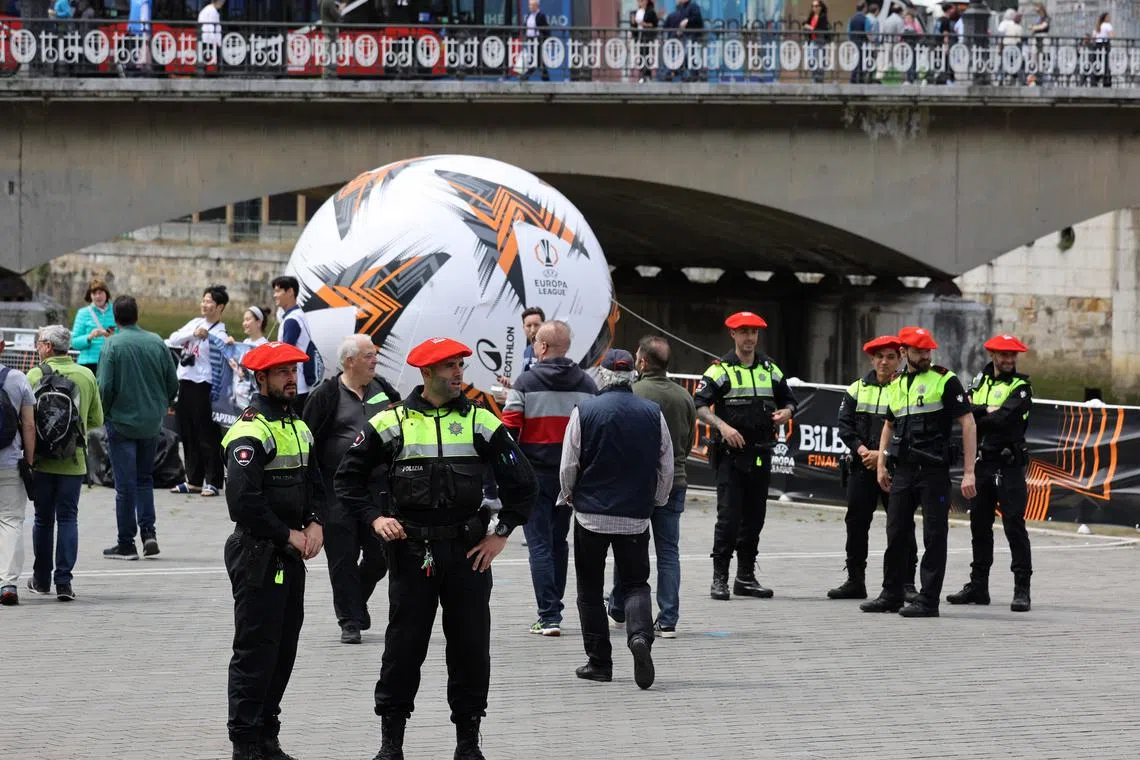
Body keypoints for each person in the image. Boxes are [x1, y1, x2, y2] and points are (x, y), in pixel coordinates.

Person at [335, 336, 536, 760]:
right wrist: (375, 518)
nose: (460, 372)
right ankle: (391, 745)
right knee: (403, 650)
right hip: (411, 553)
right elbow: (347, 480)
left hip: (468, 556)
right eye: (450, 367)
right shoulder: (393, 421)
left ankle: (468, 744)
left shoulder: (482, 420)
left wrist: (500, 535)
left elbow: (524, 484)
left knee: (470, 650)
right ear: (427, 373)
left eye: (461, 365)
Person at [221, 341, 326, 760]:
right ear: (260, 378)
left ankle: (267, 735)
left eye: (294, 370)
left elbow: (317, 482)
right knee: (255, 651)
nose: (290, 378)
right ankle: (245, 743)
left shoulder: (297, 425)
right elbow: (242, 501)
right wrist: (289, 535)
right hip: (257, 552)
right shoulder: (251, 428)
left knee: (283, 649)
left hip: (287, 555)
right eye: (281, 371)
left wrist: (317, 521)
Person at [561, 349, 672, 689]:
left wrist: (569, 496)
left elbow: (569, 463)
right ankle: (639, 637)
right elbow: (665, 465)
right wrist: (657, 499)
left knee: (589, 591)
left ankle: (599, 663)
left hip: (591, 515)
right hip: (635, 516)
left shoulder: (584, 411)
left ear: (604, 375)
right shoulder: (653, 413)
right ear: (631, 376)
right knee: (636, 583)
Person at [862, 326, 977, 618]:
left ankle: (928, 600)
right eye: (919, 351)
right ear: (905, 353)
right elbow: (889, 425)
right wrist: (882, 464)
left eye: (928, 350)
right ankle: (891, 594)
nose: (925, 355)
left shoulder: (945, 380)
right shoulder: (897, 383)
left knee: (934, 534)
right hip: (904, 470)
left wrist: (969, 472)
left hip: (933, 471)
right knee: (896, 531)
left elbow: (968, 423)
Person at [302, 334, 400, 644]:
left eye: (375, 355)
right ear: (350, 361)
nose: (375, 360)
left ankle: (354, 600)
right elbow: (307, 442)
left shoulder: (383, 389)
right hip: (336, 486)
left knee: (380, 554)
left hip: (377, 487)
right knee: (342, 557)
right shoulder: (326, 395)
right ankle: (349, 620)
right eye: (369, 356)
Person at [501, 320, 596, 635]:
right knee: (559, 542)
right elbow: (594, 431)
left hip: (535, 475)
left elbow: (509, 431)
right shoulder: (586, 383)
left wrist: (508, 474)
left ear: (541, 347)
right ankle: (555, 610)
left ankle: (549, 615)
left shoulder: (526, 382)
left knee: (538, 543)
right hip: (572, 476)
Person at [694, 311, 796, 601]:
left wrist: (786, 411)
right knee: (728, 519)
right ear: (733, 335)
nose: (749, 338)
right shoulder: (720, 370)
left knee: (754, 519)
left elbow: (789, 400)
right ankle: (720, 579)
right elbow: (699, 404)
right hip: (731, 457)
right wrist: (723, 426)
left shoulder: (770, 368)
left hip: (761, 454)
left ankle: (746, 578)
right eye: (744, 332)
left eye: (754, 332)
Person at [608, 336, 695, 637]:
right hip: (676, 481)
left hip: (637, 484)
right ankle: (668, 618)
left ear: (642, 362)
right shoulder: (684, 396)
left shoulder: (632, 392)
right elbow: (688, 442)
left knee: (628, 545)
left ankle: (619, 607)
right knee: (669, 551)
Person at [947, 334, 1033, 612]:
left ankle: (1022, 589)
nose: (1009, 360)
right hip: (983, 464)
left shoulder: (1021, 387)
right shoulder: (978, 381)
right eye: (1003, 355)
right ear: (993, 355)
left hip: (1009, 465)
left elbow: (1003, 419)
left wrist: (978, 415)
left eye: (1013, 356)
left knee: (1014, 526)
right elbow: (964, 414)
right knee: (979, 526)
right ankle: (978, 586)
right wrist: (984, 411)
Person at [829, 335, 917, 601]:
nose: (884, 362)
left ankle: (907, 584)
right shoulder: (857, 388)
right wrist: (862, 450)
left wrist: (883, 454)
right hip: (861, 466)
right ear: (872, 358)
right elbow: (845, 426)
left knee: (901, 526)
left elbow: (911, 429)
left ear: (900, 358)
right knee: (856, 524)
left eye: (891, 357)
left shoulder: (908, 388)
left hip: (895, 469)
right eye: (879, 356)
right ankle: (855, 581)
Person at [25, 325, 103, 603]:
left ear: (47, 346)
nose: (37, 347)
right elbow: (97, 420)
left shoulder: (34, 375)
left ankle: (41, 579)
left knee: (42, 519)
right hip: (73, 460)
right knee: (68, 518)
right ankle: (64, 582)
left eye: (38, 343)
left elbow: (27, 421)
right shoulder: (86, 375)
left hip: (43, 460)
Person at [99, 296, 179, 561]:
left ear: (115, 317)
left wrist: (104, 412)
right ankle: (149, 533)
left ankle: (126, 543)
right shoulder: (157, 341)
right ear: (137, 314)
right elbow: (172, 383)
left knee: (125, 485)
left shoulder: (112, 344)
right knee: (146, 479)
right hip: (151, 422)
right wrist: (161, 404)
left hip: (121, 422)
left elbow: (105, 387)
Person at [167, 285, 229, 498]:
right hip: (185, 381)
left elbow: (224, 357)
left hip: (204, 386)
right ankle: (193, 479)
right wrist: (193, 334)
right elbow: (173, 338)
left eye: (210, 301)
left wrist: (211, 339)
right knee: (188, 432)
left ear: (220, 307)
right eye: (204, 300)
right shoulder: (195, 323)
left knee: (207, 434)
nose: (205, 304)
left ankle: (213, 481)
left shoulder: (221, 332)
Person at [0, 334, 36, 606]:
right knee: (11, 520)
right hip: (10, 461)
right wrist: (29, 462)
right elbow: (28, 426)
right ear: (2, 347)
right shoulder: (17, 379)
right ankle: (8, 583)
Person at [273, 275, 324, 409]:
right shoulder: (298, 315)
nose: (275, 295)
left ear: (290, 292)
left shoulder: (292, 320)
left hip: (293, 385)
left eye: (278, 291)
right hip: (299, 384)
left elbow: (285, 354)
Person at [225, 306, 270, 411]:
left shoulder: (265, 345)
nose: (244, 323)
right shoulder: (245, 343)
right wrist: (231, 346)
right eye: (244, 320)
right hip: (238, 397)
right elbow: (237, 366)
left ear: (259, 322)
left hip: (253, 399)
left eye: (248, 320)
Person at [70, 279, 116, 376]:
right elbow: (74, 342)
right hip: (89, 363)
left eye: (100, 293)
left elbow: (123, 334)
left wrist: (112, 335)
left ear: (106, 294)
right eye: (94, 293)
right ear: (90, 295)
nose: (97, 296)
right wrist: (89, 337)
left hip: (112, 361)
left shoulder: (116, 310)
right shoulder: (83, 313)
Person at [495, 306, 544, 389]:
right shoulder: (527, 351)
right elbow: (526, 383)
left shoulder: (550, 350)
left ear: (544, 326)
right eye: (528, 325)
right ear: (523, 328)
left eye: (536, 325)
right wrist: (510, 385)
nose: (532, 330)